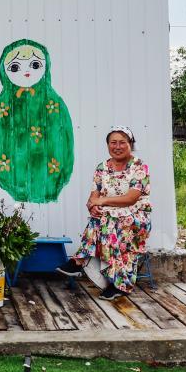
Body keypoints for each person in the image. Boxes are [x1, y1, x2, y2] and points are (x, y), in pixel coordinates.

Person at [55, 126, 151, 300]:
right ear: (108, 145)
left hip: (136, 217)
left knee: (107, 221)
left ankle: (80, 261)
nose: (117, 146)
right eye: (113, 142)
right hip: (110, 216)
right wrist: (93, 206)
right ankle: (116, 284)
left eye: (122, 142)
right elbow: (93, 197)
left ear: (130, 144)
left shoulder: (138, 167)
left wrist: (102, 202)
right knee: (102, 218)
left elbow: (131, 198)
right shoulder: (102, 168)